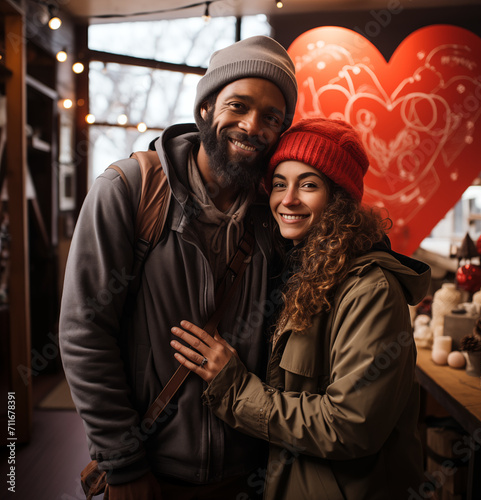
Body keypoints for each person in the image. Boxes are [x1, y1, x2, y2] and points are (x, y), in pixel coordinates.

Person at [59, 36, 297, 499]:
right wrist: (123, 463)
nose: (253, 126)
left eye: (272, 117)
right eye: (239, 105)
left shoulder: (275, 217)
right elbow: (83, 334)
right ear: (206, 108)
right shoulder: (129, 191)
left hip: (248, 475)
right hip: (148, 471)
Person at [171, 118, 432, 499]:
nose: (288, 199)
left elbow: (351, 425)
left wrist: (235, 387)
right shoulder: (293, 268)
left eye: (308, 184)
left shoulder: (370, 290)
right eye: (279, 184)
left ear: (339, 199)